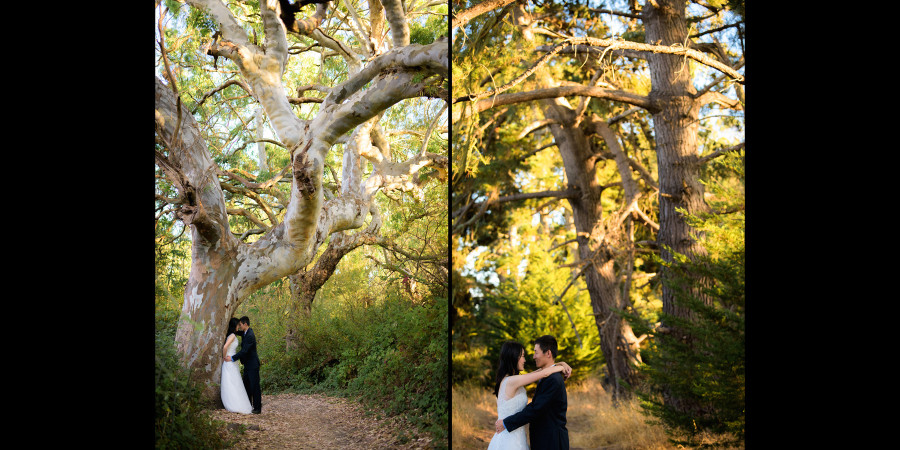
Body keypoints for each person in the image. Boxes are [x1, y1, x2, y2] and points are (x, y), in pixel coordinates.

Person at [487, 340, 572, 450]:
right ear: (513, 357)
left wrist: (561, 364)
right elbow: (544, 373)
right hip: (508, 436)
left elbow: (539, 372)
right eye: (522, 356)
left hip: (517, 434)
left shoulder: (514, 379)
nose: (526, 359)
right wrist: (561, 367)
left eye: (535, 352)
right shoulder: (511, 381)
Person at [226, 316, 262, 414]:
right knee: (246, 386)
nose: (240, 326)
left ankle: (257, 408)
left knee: (255, 386)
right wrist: (232, 329)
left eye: (240, 325)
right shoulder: (246, 333)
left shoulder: (250, 335)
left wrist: (232, 358)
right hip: (247, 365)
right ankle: (249, 405)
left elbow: (244, 351)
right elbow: (239, 332)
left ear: (245, 324)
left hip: (253, 365)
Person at [221, 317, 253, 414]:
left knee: (234, 382)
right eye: (238, 325)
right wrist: (224, 357)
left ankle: (237, 402)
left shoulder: (232, 335)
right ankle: (234, 403)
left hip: (232, 361)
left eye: (240, 325)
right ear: (234, 325)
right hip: (229, 361)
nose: (239, 327)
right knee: (231, 382)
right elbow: (225, 347)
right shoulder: (232, 336)